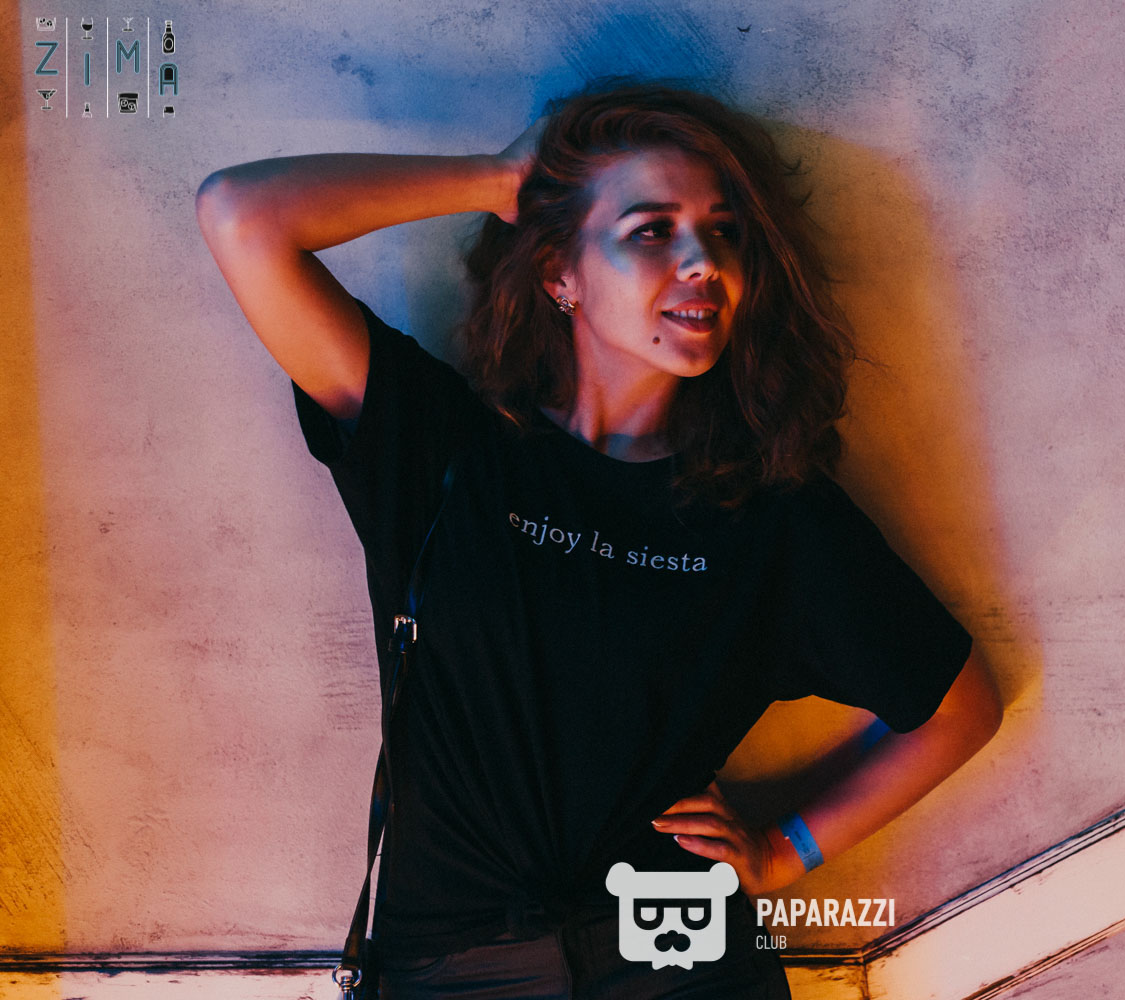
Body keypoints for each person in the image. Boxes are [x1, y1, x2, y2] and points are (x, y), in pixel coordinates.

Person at [195, 80, 1003, 1000]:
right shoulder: (442, 448)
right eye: (652, 230)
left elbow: (959, 708)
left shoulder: (770, 512)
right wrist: (503, 181)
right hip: (449, 972)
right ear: (560, 274)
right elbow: (241, 216)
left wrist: (785, 852)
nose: (703, 261)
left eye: (725, 232)